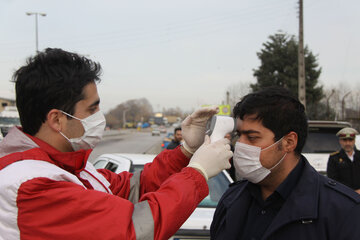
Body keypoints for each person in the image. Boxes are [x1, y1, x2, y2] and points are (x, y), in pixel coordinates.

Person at [0, 48, 233, 239]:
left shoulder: (68, 166)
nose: (99, 116)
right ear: (57, 119)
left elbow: (132, 188)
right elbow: (131, 230)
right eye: (92, 109)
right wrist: (197, 173)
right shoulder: (31, 185)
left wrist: (185, 152)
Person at [210, 86, 360, 240]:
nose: (240, 145)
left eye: (252, 137)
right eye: (239, 135)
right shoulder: (231, 199)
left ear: (289, 142)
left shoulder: (343, 210)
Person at [327, 127, 360, 193]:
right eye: (344, 140)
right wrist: (349, 192)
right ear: (340, 141)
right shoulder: (334, 158)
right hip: (342, 195)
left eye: (350, 140)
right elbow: (332, 180)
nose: (347, 143)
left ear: (354, 141)